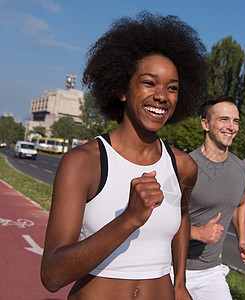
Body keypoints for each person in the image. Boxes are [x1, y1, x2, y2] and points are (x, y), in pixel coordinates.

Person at [40, 11, 206, 299]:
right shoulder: (83, 163)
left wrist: (180, 284)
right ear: (122, 89)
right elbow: (53, 275)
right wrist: (130, 218)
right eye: (149, 82)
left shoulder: (183, 166)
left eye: (172, 88)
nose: (162, 96)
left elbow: (181, 216)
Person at [184, 95, 245, 299]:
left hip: (211, 271)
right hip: (170, 266)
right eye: (224, 119)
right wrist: (196, 232)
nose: (231, 126)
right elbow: (158, 219)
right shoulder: (185, 166)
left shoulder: (242, 169)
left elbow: (240, 204)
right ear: (205, 124)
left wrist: (242, 241)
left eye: (236, 121)